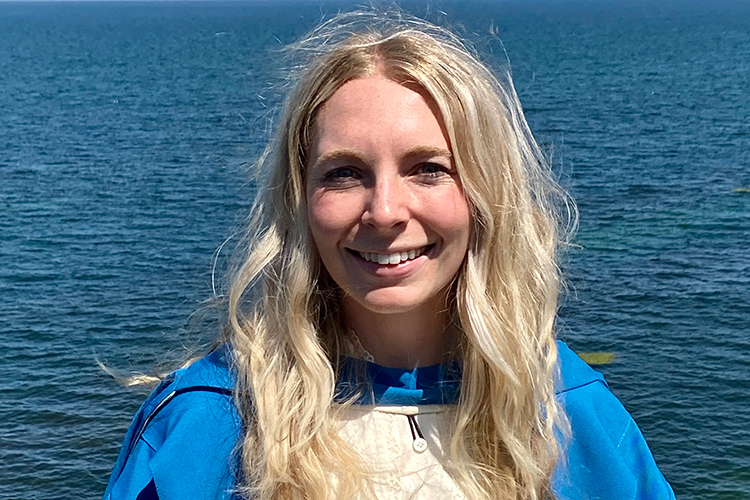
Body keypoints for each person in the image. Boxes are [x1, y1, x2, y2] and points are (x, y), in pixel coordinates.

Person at [103, 10, 675, 500]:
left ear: (485, 195)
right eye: (344, 173)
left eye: (429, 169)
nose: (384, 211)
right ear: (299, 199)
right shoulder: (206, 422)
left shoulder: (570, 417)